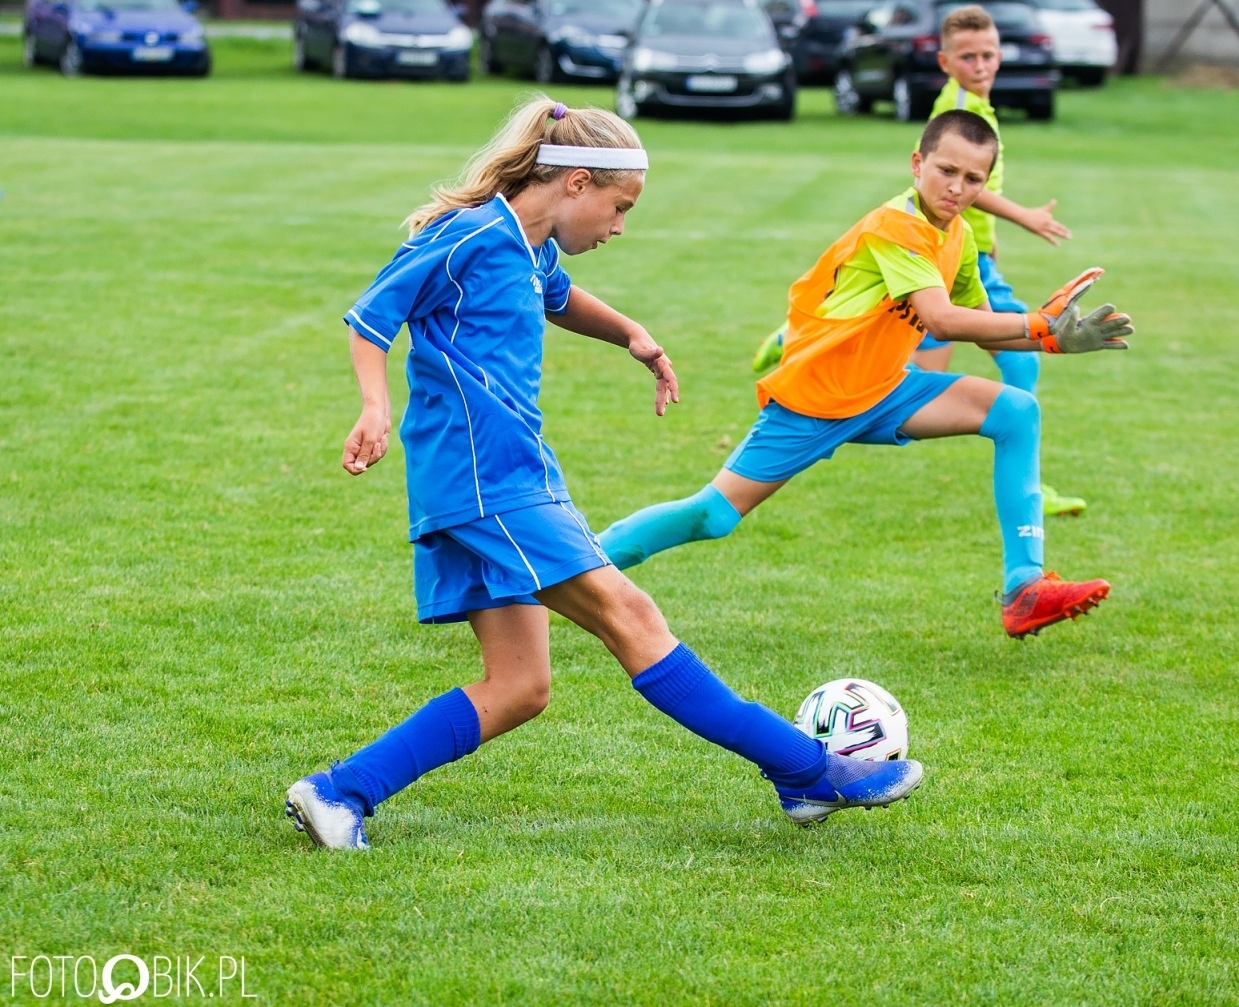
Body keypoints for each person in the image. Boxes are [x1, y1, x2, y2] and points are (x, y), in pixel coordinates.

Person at [285, 100, 923, 850]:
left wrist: (631, 334)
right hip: (486, 482)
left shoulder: (528, 246)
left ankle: (339, 791)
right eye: (618, 209)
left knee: (520, 687)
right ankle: (807, 770)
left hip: (508, 476)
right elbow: (372, 316)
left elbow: (559, 298)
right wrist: (373, 407)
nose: (618, 227)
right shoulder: (471, 235)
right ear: (576, 183)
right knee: (634, 617)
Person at [600, 110, 1133, 640]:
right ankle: (570, 567)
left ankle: (1024, 589)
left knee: (1016, 412)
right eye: (947, 170)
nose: (957, 187)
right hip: (817, 398)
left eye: (973, 179)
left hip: (885, 388)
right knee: (711, 517)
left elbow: (979, 329)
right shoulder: (896, 227)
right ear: (917, 162)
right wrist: (1040, 321)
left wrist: (1055, 340)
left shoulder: (958, 236)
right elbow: (940, 319)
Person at [753, 5, 1088, 517]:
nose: (982, 65)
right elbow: (953, 184)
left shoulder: (974, 106)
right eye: (969, 56)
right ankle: (811, 333)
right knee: (972, 350)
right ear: (945, 61)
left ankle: (810, 330)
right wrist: (1022, 219)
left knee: (951, 361)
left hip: (960, 256)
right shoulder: (958, 115)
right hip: (933, 256)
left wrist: (1051, 329)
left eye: (989, 54)